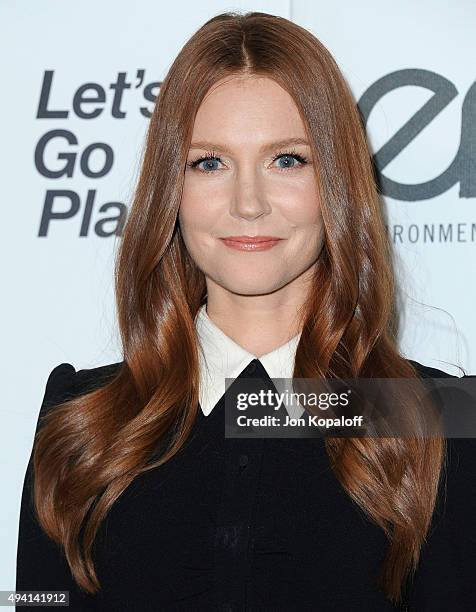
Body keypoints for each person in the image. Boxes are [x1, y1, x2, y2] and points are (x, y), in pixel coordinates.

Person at [15, 10, 476, 612]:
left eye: (287, 160)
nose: (248, 203)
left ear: (336, 181)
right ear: (169, 191)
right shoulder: (83, 423)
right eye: (210, 162)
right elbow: (36, 601)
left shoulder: (434, 419)